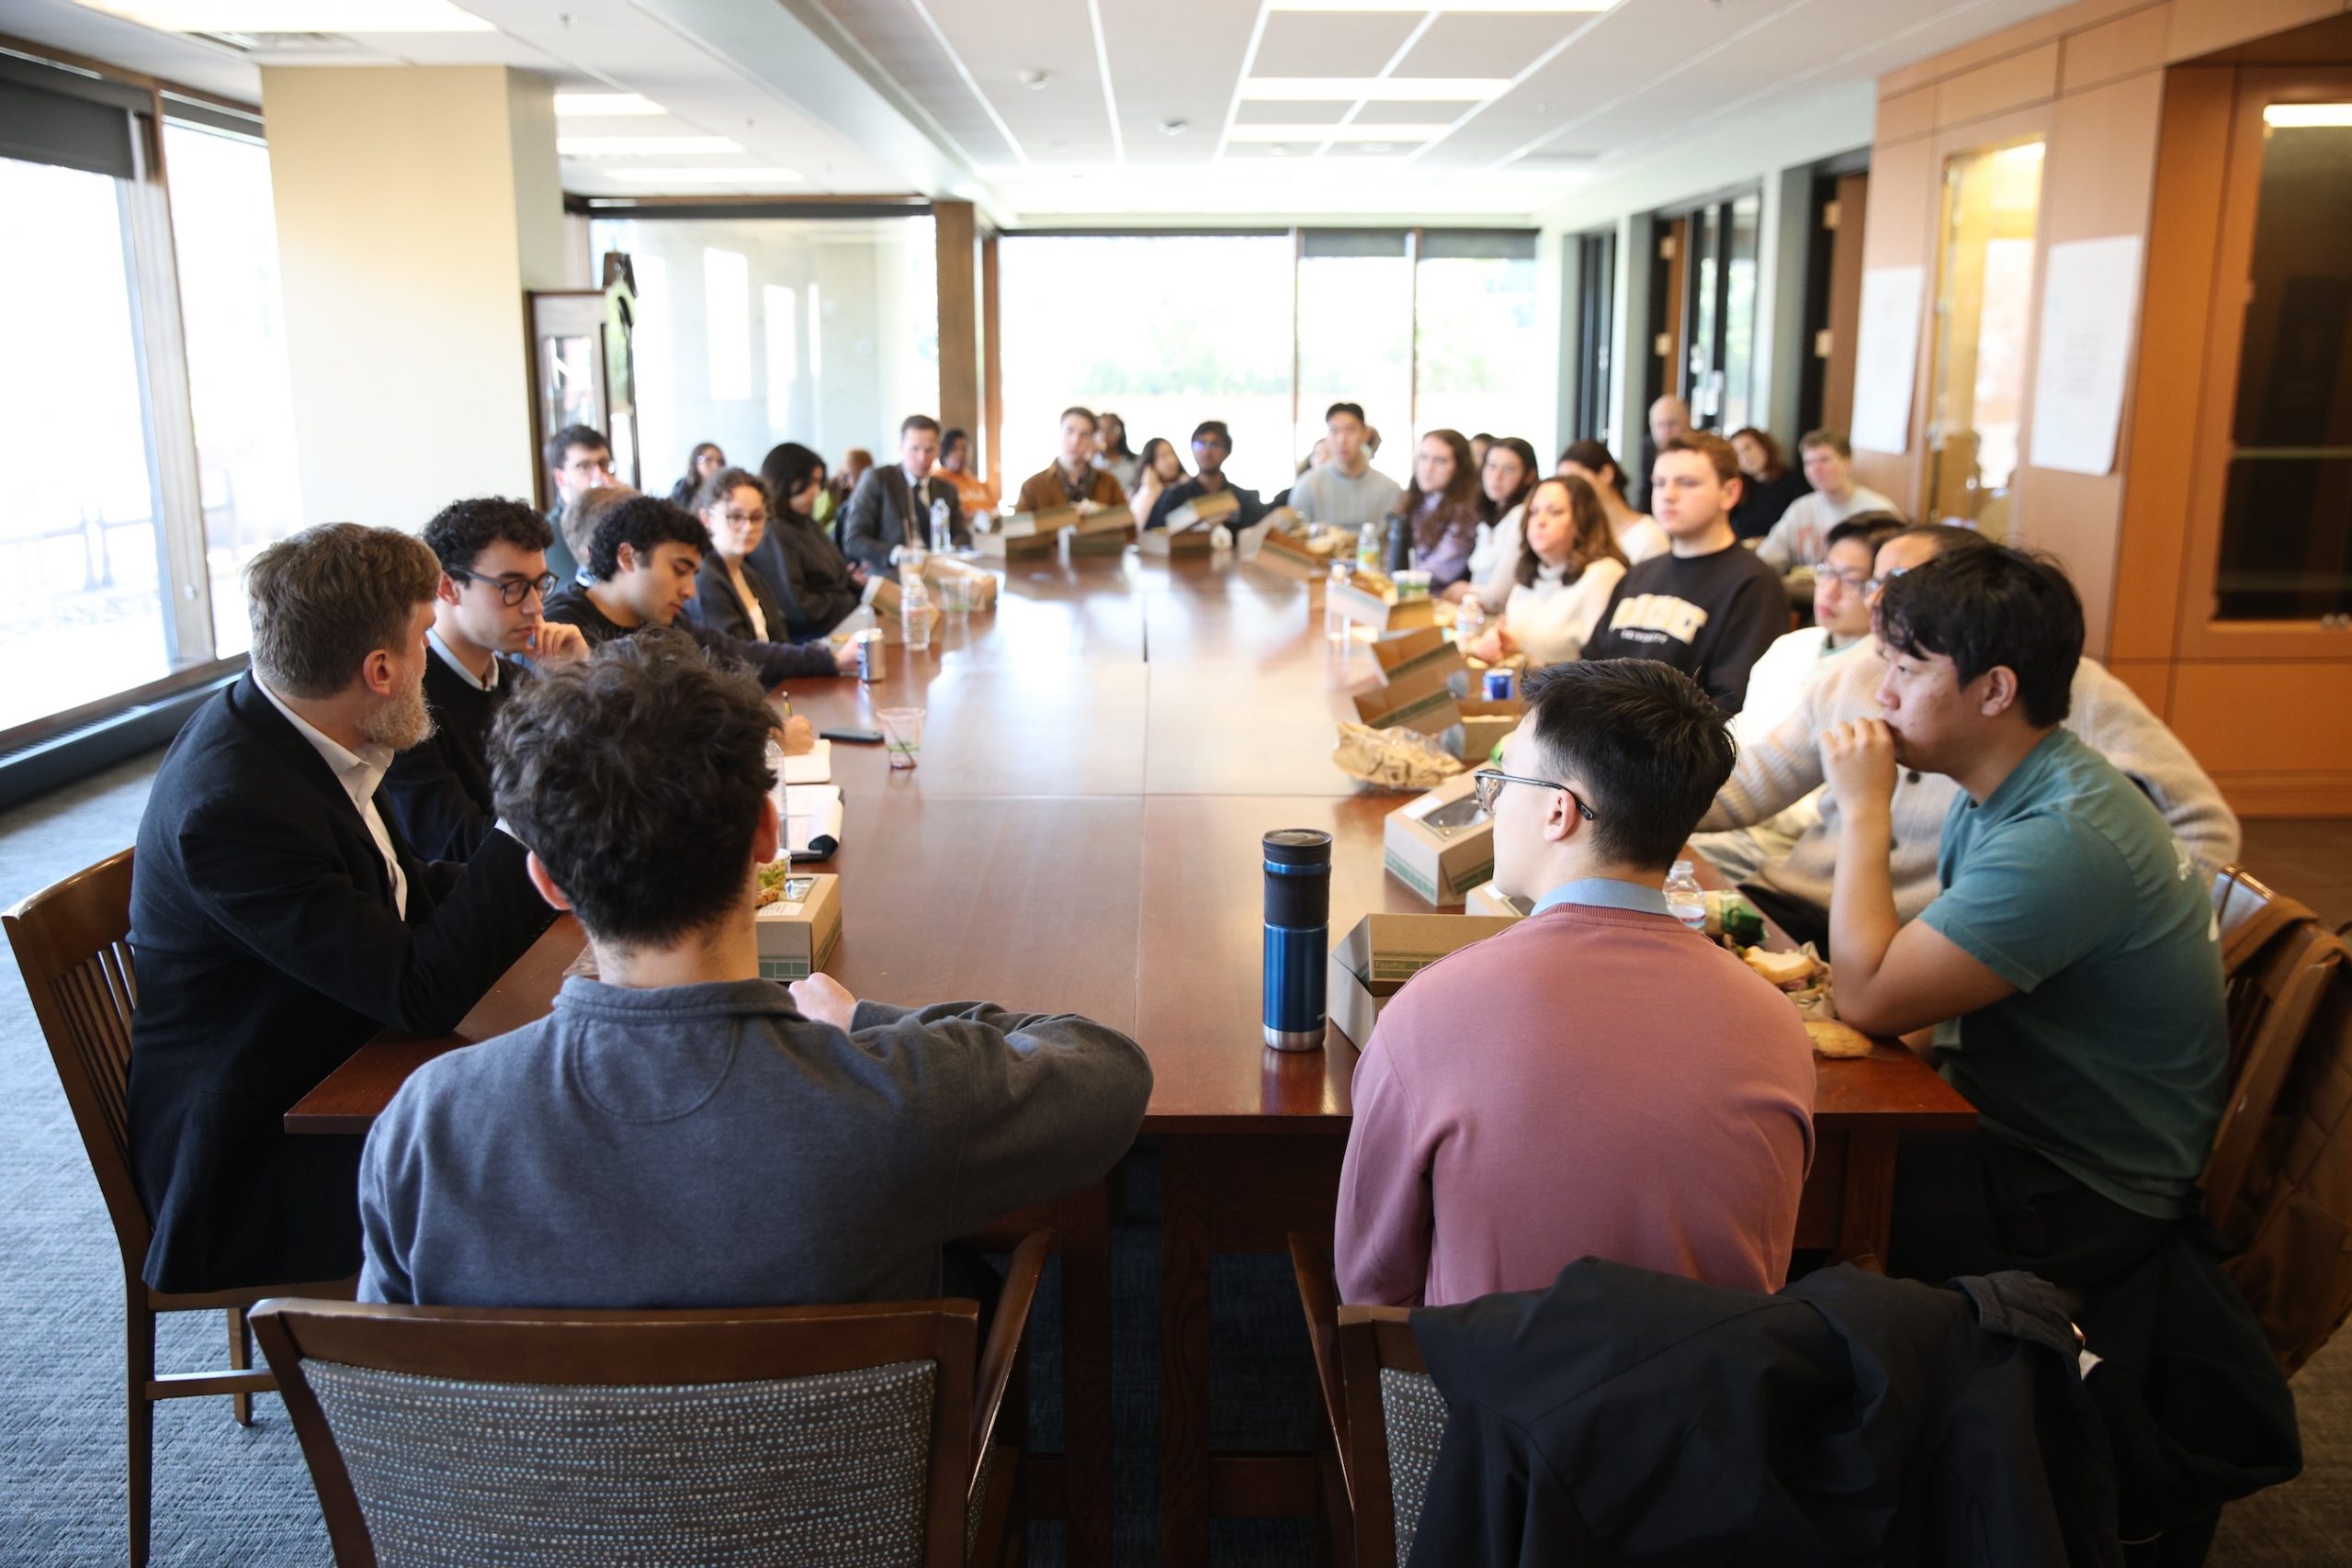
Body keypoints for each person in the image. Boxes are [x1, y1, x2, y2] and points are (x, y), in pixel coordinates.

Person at [356, 633, 1155, 1309]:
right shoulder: (896, 1096)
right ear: (768, 834)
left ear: (548, 882)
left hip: (525, 1495)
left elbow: (385, 1392)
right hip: (842, 1496)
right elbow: (1109, 1072)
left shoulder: (427, 1123)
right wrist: (863, 1023)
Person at [124, 524, 557, 1293]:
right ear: (382, 668)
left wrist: (568, 878)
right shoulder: (234, 808)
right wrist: (527, 820)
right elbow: (418, 994)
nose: (435, 658)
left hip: (332, 1064)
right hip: (258, 1158)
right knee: (545, 1151)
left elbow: (398, 887)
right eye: (426, 637)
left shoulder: (298, 729)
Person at [1335, 660, 1815, 1308]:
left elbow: (1370, 1281)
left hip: (1496, 1401)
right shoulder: (1777, 1025)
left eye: (1501, 780)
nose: (1493, 800)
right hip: (1712, 1400)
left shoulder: (1428, 1010)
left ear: (1559, 810)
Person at [1815, 547, 2226, 1292]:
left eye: (1908, 670)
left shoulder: (2062, 837)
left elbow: (1870, 996)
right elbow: (1906, 998)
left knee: (1777, 1176)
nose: (1883, 696)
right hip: (2013, 1132)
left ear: (1996, 690)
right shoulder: (2021, 788)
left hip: (2072, 1198)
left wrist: (1864, 808)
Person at [1697, 524, 2240, 953]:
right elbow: (1751, 782)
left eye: (1908, 580)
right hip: (1797, 908)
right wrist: (1622, 795)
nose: (1884, 599)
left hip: (1923, 940)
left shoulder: (2063, 709)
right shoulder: (1867, 671)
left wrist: (2139, 939)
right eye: (1878, 581)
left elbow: (2202, 828)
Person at [1686, 513, 1902, 885]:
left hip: (1791, 842)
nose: (1830, 590)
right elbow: (1742, 746)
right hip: (1735, 809)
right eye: (1826, 571)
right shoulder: (1790, 646)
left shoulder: (1882, 674)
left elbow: (1822, 798)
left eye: (1852, 580)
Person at [381, 499, 590, 863]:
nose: (535, 607)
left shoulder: (520, 682)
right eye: (512, 587)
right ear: (447, 587)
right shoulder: (405, 701)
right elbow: (460, 846)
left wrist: (573, 687)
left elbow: (601, 795)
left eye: (540, 585)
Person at [1579, 432, 1787, 715]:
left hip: (1675, 752)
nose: (1668, 495)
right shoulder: (1639, 574)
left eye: (1687, 483)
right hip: (1596, 740)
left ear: (1729, 493)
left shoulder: (1753, 583)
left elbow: (1729, 704)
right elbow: (1588, 667)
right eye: (1659, 483)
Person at [545, 493, 854, 682]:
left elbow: (735, 652)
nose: (690, 590)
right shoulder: (563, 627)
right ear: (627, 556)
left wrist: (829, 660)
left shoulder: (662, 620)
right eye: (679, 571)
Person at [1460, 476, 1629, 669]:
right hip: (1525, 690)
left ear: (1582, 521)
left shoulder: (1603, 575)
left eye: (1554, 512)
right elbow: (1525, 647)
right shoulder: (1531, 573)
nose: (1540, 521)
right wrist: (1502, 643)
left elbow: (1602, 669)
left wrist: (1527, 660)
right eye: (1533, 512)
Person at [754, 442, 866, 638]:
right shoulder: (772, 533)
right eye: (810, 482)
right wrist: (846, 600)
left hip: (840, 623)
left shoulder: (807, 524)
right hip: (813, 637)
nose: (816, 491)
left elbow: (836, 575)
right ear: (786, 479)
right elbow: (795, 607)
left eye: (818, 483)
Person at [840, 414, 968, 577]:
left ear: (938, 450)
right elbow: (854, 540)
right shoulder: (878, 480)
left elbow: (962, 534)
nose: (922, 457)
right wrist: (898, 554)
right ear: (901, 448)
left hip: (936, 573)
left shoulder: (946, 489)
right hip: (892, 574)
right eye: (914, 449)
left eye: (929, 450)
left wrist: (950, 550)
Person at [1756, 429, 1898, 573]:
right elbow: (1769, 558)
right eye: (1808, 463)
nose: (1815, 469)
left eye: (1824, 460)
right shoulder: (1801, 508)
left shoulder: (1878, 511)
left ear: (1847, 464)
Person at [684, 468, 797, 648]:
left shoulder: (749, 574)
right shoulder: (704, 578)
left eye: (757, 517)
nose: (748, 527)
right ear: (706, 519)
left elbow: (780, 640)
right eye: (735, 517)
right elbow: (737, 657)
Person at [1449, 435, 1539, 610]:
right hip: (1475, 615)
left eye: (1509, 469)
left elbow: (1498, 597)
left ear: (1529, 476)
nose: (1496, 477)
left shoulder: (1522, 516)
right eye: (1491, 466)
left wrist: (1460, 591)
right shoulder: (1489, 516)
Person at [1286, 402, 1404, 530]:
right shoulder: (1307, 487)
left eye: (1350, 430)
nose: (1342, 439)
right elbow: (1294, 541)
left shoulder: (1390, 490)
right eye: (1334, 431)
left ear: (1365, 434)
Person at [1398, 429, 1485, 592]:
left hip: (1439, 601)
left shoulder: (1465, 510)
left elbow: (1439, 570)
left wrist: (1397, 578)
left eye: (1440, 461)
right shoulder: (1419, 500)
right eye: (1424, 458)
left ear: (1459, 467)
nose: (1428, 468)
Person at [1558, 439, 1668, 564]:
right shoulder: (1583, 535)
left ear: (1606, 474)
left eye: (1576, 480)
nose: (1570, 491)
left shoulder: (1649, 537)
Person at [1148, 420, 1266, 532]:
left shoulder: (1244, 500)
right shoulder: (1173, 497)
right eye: (1200, 444)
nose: (1206, 452)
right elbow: (1153, 536)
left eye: (1214, 444)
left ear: (1227, 451)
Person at [1015, 406, 1128, 513]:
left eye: (1084, 434)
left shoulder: (1109, 483)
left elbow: (1128, 528)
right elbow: (1019, 531)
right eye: (1069, 431)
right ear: (1059, 433)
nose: (1075, 440)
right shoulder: (1032, 487)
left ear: (1092, 440)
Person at [541, 423, 615, 583]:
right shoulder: (548, 536)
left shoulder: (617, 519)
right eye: (584, 467)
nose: (599, 476)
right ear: (561, 478)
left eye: (603, 464)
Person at [1728, 426, 1809, 540]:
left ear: (1763, 445)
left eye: (1748, 448)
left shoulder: (1794, 481)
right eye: (1738, 454)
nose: (1745, 457)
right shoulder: (1738, 489)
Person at [1635, 395, 1690, 510]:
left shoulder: (1701, 452)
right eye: (1660, 425)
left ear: (1687, 422)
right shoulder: (1643, 450)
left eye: (1672, 424)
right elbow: (1643, 495)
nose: (1666, 432)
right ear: (1651, 427)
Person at [937, 426, 997, 520]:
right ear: (944, 452)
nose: (960, 454)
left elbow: (994, 511)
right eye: (954, 449)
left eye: (964, 449)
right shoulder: (937, 481)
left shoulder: (980, 484)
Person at [1126, 436, 1186, 529]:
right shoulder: (1138, 492)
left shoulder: (1185, 485)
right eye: (1163, 456)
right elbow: (1136, 526)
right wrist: (1148, 490)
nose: (1172, 460)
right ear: (1150, 464)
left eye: (1172, 453)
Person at [1093, 411, 1144, 496]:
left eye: (1110, 429)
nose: (1104, 434)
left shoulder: (1135, 461)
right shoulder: (1090, 461)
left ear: (1120, 433)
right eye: (1100, 429)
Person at [665, 441, 725, 506]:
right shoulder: (683, 488)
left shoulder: (725, 490)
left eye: (720, 461)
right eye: (709, 460)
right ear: (695, 462)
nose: (716, 465)